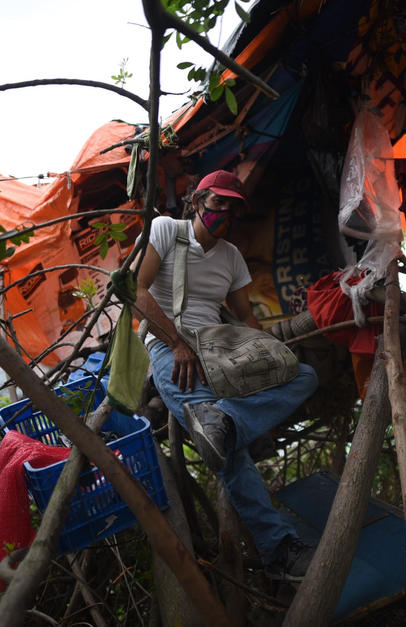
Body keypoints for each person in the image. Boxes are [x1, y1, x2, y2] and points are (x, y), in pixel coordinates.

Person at [134, 170, 318, 582]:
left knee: (302, 375)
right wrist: (178, 343)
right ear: (197, 201)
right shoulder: (167, 230)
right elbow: (138, 293)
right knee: (229, 456)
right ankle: (280, 551)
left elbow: (247, 318)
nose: (225, 212)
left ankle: (227, 420)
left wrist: (271, 354)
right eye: (219, 202)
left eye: (233, 207)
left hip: (222, 350)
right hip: (171, 350)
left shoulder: (232, 256)